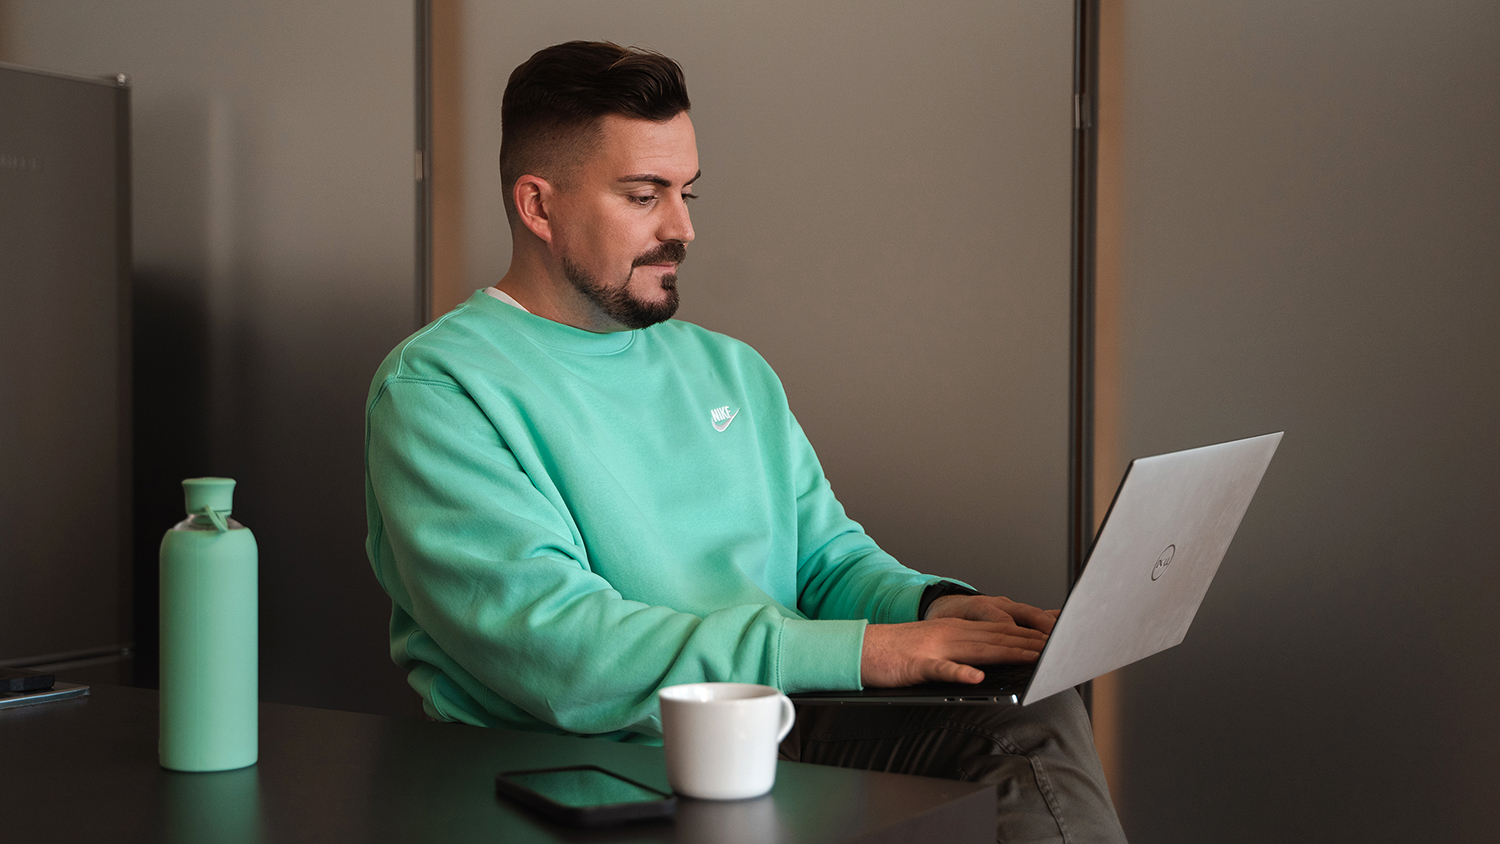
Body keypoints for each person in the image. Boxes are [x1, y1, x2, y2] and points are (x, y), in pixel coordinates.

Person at [365, 40, 1125, 842]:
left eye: (688, 192)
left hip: (771, 723)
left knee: (1023, 696)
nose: (682, 227)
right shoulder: (440, 389)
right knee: (1017, 735)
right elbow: (565, 653)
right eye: (643, 195)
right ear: (538, 206)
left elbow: (826, 561)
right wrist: (866, 652)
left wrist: (933, 609)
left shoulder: (729, 369)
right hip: (595, 756)